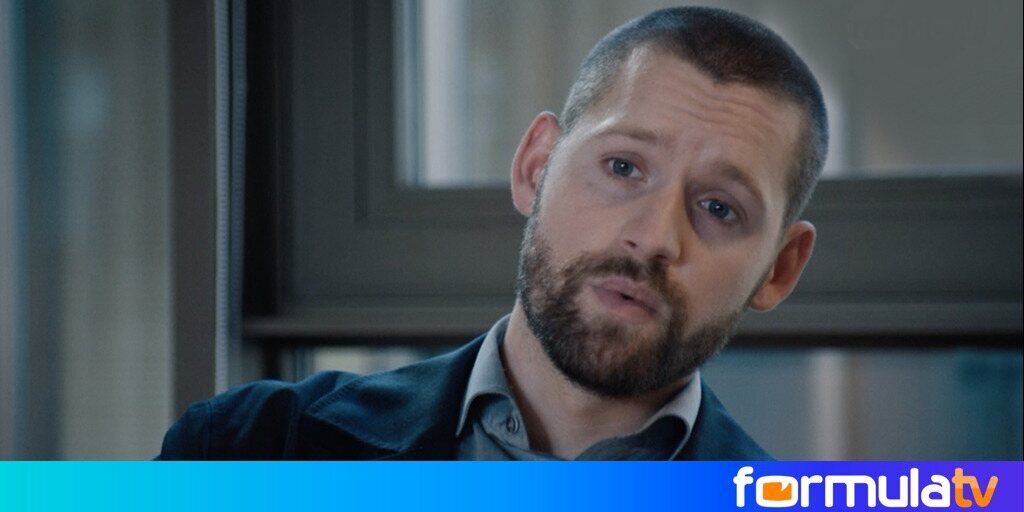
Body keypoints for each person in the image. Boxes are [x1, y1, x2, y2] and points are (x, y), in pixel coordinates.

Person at [159, 6, 827, 460]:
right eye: (623, 167)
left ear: (779, 270)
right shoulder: (247, 451)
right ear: (536, 167)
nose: (654, 237)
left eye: (718, 208)